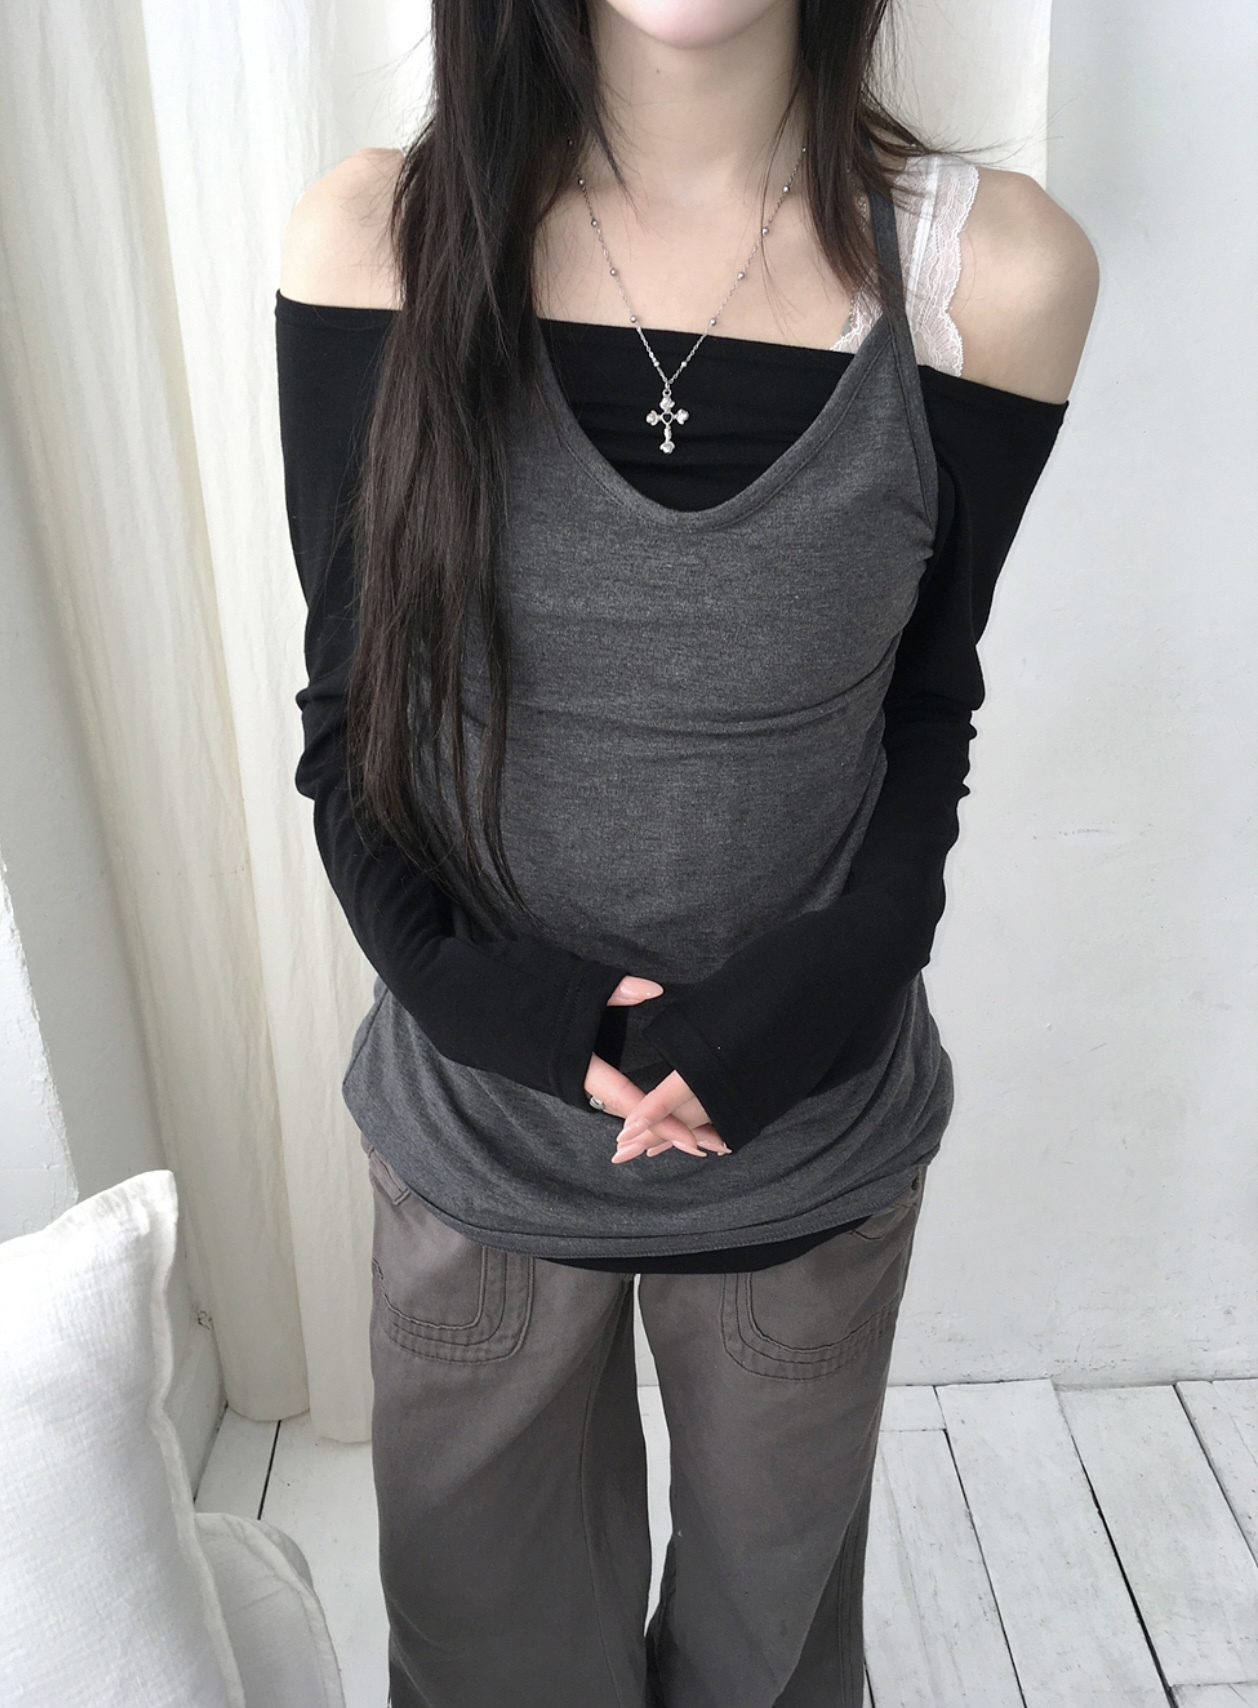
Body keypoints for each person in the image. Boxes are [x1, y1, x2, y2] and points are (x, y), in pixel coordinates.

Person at [275, 2, 1099, 1703]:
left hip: (805, 1124)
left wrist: (824, 985)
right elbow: (351, 721)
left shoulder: (990, 274)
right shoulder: (378, 240)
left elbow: (924, 705)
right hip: (477, 1128)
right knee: (490, 1666)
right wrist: (508, 1010)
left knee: (766, 1665)